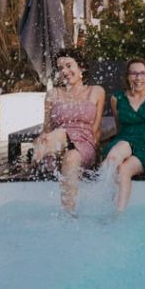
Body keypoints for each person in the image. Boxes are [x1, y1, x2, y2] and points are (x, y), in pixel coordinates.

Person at [31, 48, 106, 214]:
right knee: (57, 137)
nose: (64, 71)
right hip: (56, 143)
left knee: (72, 156)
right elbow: (47, 129)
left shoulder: (96, 91)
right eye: (60, 68)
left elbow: (96, 129)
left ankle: (68, 214)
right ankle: (39, 161)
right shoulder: (53, 94)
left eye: (68, 65)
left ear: (81, 68)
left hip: (84, 143)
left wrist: (98, 159)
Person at [99, 58, 145, 212]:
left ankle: (118, 214)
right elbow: (119, 127)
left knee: (124, 170)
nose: (138, 78)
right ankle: (106, 207)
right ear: (128, 76)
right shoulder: (117, 98)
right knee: (118, 151)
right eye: (134, 74)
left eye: (142, 73)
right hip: (123, 143)